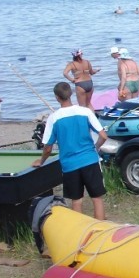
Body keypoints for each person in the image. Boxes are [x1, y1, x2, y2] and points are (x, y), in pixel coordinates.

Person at [32, 82, 108, 220]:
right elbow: (103, 136)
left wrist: (41, 161)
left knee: (76, 200)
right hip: (90, 160)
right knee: (97, 198)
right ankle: (101, 232)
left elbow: (48, 148)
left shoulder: (53, 118)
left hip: (70, 165)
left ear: (57, 97)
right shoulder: (85, 111)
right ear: (71, 93)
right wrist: (95, 148)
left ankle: (79, 234)